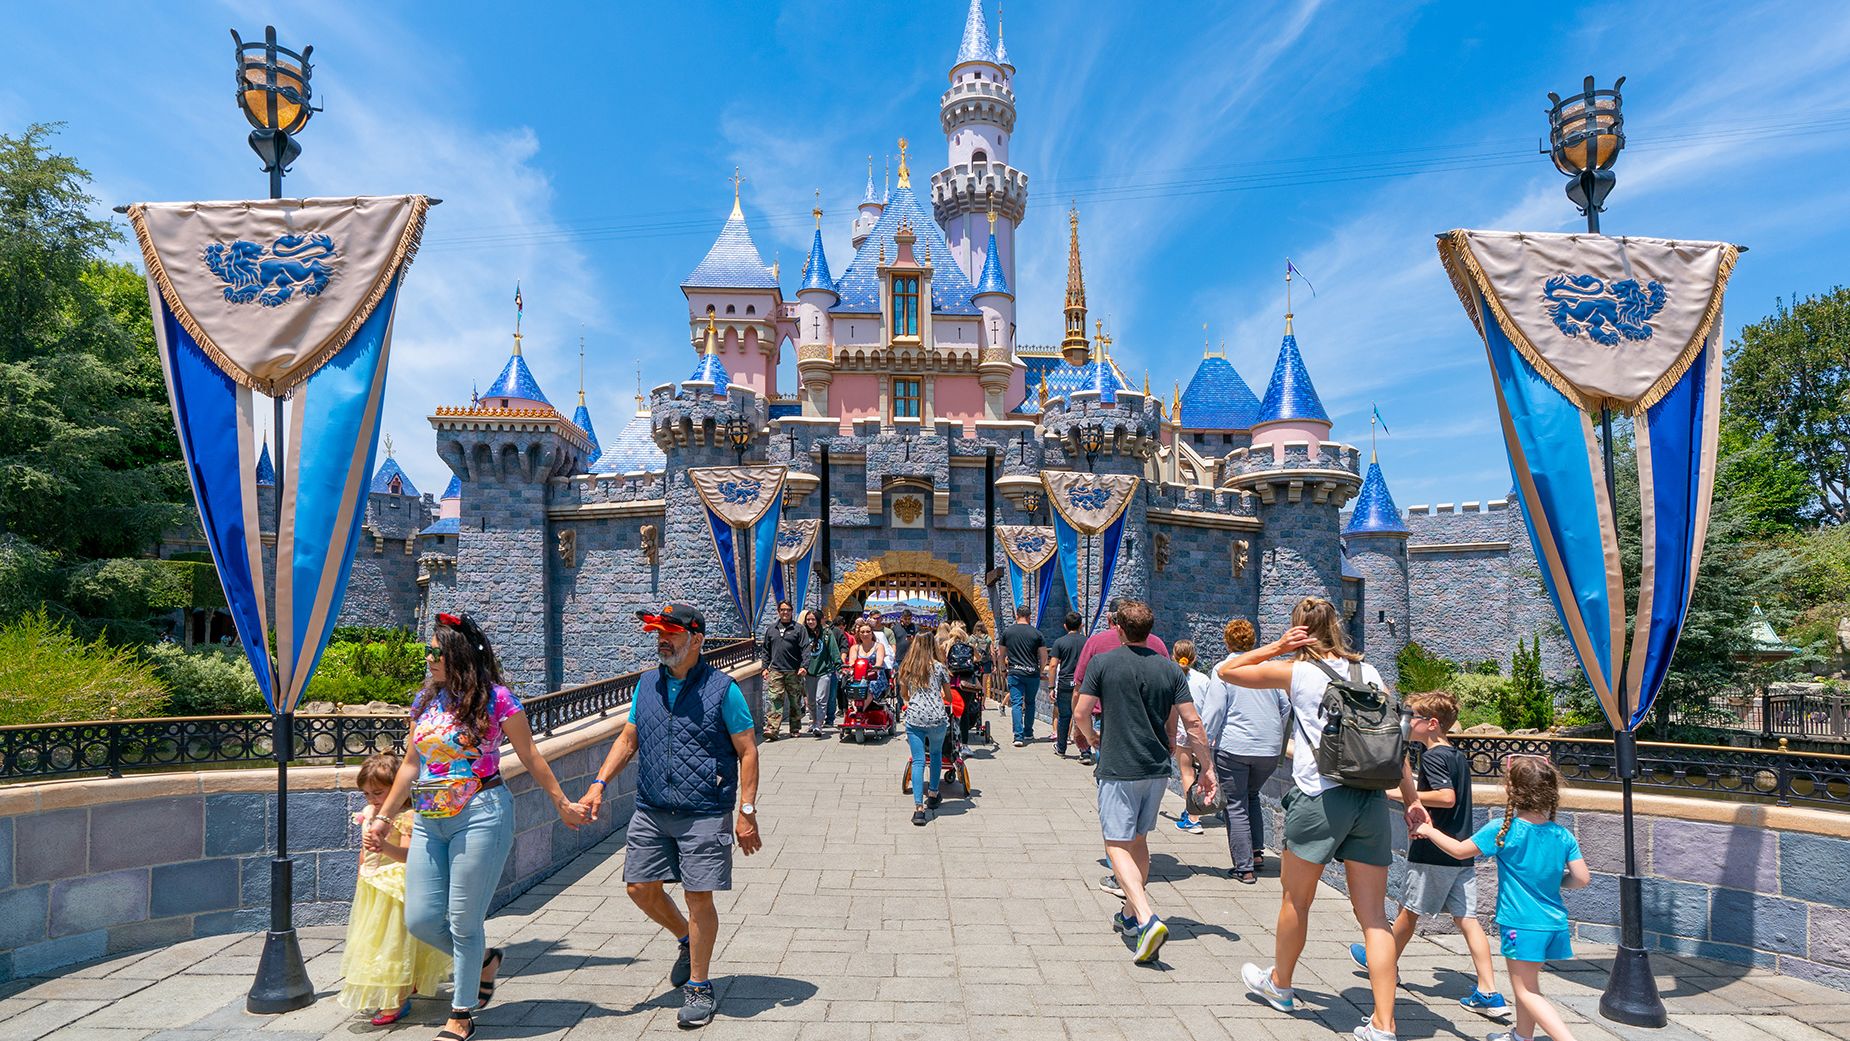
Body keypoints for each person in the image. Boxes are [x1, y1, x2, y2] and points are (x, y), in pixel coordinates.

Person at [367, 612, 588, 1041]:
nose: (428, 657)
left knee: (462, 920)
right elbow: (411, 765)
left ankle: (462, 1012)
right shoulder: (424, 701)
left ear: (459, 655)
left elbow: (531, 757)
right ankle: (483, 960)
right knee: (421, 918)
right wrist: (383, 817)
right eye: (428, 649)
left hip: (481, 812)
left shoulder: (498, 699)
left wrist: (562, 803)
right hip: (431, 818)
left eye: (435, 650)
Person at [1221, 597, 1428, 1041]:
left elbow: (1228, 671)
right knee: (1374, 917)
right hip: (1371, 802)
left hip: (1320, 797)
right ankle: (1385, 1024)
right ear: (1337, 626)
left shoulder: (1298, 672)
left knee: (1297, 902)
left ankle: (1280, 984)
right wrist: (1410, 800)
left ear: (1299, 629)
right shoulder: (1370, 673)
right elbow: (1392, 742)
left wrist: (1277, 646)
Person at [581, 602, 763, 1029]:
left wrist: (747, 811)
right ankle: (685, 938)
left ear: (696, 640)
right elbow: (629, 739)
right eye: (658, 634)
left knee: (698, 895)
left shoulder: (724, 690)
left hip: (704, 808)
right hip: (651, 806)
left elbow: (748, 750)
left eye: (671, 634)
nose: (662, 641)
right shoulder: (646, 685)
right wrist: (599, 783)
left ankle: (699, 985)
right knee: (639, 888)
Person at [1349, 690, 1511, 1020]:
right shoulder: (1456, 755)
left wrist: (1399, 793)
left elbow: (1446, 797)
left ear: (1432, 724)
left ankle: (1381, 961)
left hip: (1433, 849)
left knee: (1408, 912)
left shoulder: (1435, 757)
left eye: (1414, 717)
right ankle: (1490, 991)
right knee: (1467, 921)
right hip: (1460, 851)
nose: (1407, 722)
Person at [1072, 600, 1217, 964]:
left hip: (1119, 765)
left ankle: (1147, 916)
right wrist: (1208, 767)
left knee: (1116, 844)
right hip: (1155, 768)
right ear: (1149, 631)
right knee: (1139, 841)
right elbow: (1192, 723)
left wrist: (1090, 738)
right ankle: (1129, 916)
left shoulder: (1103, 663)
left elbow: (1080, 711)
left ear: (1119, 628)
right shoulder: (1170, 670)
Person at [1413, 757, 1589, 1041]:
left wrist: (1428, 830)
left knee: (1526, 991)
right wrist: (1553, 881)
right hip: (1554, 924)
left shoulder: (1503, 829)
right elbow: (1581, 879)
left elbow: (1459, 851)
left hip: (1521, 924)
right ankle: (1522, 1036)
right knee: (1529, 984)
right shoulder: (1562, 834)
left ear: (1512, 790)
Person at [339, 752, 449, 1025]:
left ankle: (395, 1000)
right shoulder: (370, 813)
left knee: (395, 944)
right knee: (373, 940)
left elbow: (410, 855)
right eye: (366, 794)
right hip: (373, 886)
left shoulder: (408, 816)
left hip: (397, 886)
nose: (372, 799)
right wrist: (361, 871)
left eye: (378, 792)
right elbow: (364, 850)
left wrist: (384, 846)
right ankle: (405, 983)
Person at [1076, 603, 1166, 899]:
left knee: (1115, 831)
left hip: (1112, 734)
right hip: (1154, 746)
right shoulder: (1161, 650)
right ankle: (1131, 906)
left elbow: (1080, 699)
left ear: (1114, 622)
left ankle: (1131, 895)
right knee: (1140, 836)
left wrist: (1089, 737)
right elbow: (1178, 704)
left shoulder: (1099, 647)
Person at [1193, 619, 1289, 884]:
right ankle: (1257, 852)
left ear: (1227, 641)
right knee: (1252, 795)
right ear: (1252, 641)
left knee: (1236, 805)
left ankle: (1244, 867)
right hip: (1268, 749)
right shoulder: (1267, 667)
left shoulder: (1224, 669)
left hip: (1235, 746)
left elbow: (1213, 711)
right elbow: (1285, 706)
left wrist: (1205, 744)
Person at [895, 636, 954, 825]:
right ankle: (934, 793)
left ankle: (919, 809)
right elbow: (949, 696)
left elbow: (904, 694)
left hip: (916, 717)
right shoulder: (939, 667)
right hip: (937, 717)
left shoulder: (907, 667)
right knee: (935, 754)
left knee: (919, 760)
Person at [1171, 640, 1212, 834]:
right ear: (1194, 658)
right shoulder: (1203, 679)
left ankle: (1193, 817)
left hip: (1181, 730)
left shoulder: (1172, 677)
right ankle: (1196, 808)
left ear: (1174, 656)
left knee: (1187, 773)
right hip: (1201, 730)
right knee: (1203, 770)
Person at [998, 606, 1048, 747]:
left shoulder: (1008, 632)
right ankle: (1028, 732)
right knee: (1031, 703)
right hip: (1032, 673)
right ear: (1029, 616)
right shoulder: (1037, 634)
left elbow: (1001, 655)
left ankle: (1018, 736)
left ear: (1016, 615)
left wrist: (1002, 669)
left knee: (1017, 703)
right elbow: (1044, 656)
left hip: (1015, 672)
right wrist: (1040, 671)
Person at [759, 600, 804, 740]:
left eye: (788, 610)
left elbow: (805, 649)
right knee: (775, 700)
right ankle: (772, 729)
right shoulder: (772, 629)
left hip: (794, 671)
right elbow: (766, 650)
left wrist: (804, 666)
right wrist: (764, 668)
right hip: (776, 670)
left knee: (795, 701)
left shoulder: (798, 629)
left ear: (791, 612)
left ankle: (795, 728)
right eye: (783, 610)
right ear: (778, 612)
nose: (785, 612)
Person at [1048, 612, 1087, 760]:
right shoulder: (1087, 642)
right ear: (1081, 625)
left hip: (1065, 683)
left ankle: (1061, 748)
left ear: (1065, 626)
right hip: (1083, 684)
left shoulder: (1060, 642)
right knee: (1083, 716)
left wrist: (1051, 687)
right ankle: (1085, 751)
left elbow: (1052, 666)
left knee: (1064, 717)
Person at [800, 608, 841, 737]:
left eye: (813, 619)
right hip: (809, 672)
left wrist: (839, 665)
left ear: (818, 620)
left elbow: (834, 651)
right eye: (808, 620)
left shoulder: (827, 634)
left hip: (824, 671)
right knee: (811, 701)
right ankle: (813, 720)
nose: (810, 622)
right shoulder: (803, 634)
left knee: (821, 699)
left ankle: (819, 724)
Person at [969, 622, 995, 703]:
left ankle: (974, 701)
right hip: (986, 662)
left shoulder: (972, 638)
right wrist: (994, 665)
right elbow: (992, 653)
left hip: (975, 663)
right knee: (984, 684)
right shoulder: (988, 638)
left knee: (974, 682)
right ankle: (982, 704)